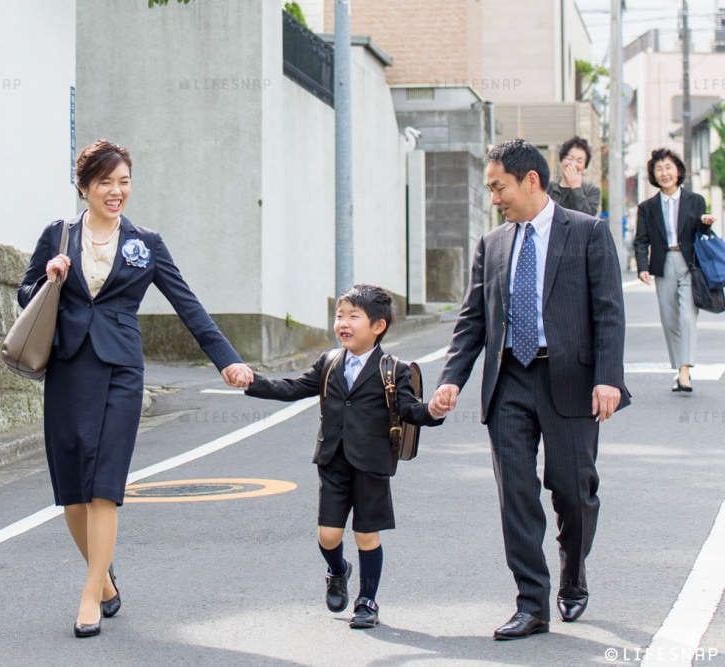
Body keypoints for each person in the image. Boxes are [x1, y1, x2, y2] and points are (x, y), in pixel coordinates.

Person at [17, 139, 254, 638]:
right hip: (68, 368)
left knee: (104, 483)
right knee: (72, 492)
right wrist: (49, 278)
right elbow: (24, 296)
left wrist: (227, 362)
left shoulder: (145, 242)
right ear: (84, 187)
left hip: (121, 370)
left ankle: (88, 592)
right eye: (106, 183)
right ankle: (104, 580)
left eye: (124, 182)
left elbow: (187, 303)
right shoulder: (58, 237)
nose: (116, 191)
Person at [430, 139, 630, 640]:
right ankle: (531, 602)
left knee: (572, 491)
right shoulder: (493, 244)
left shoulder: (587, 233)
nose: (494, 198)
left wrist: (608, 377)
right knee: (515, 495)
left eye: (499, 187)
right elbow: (472, 320)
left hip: (571, 383)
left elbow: (608, 310)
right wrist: (451, 380)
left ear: (531, 181)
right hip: (510, 382)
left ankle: (573, 575)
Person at [243, 284, 445, 630]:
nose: (343, 323)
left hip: (372, 464)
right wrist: (252, 382)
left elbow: (410, 410)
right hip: (332, 460)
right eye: (340, 316)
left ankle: (367, 601)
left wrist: (434, 410)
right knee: (328, 535)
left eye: (354, 316)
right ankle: (337, 570)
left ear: (378, 326)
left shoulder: (392, 370)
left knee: (366, 535)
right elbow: (293, 388)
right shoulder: (329, 362)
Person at [633, 148, 716, 392]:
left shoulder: (695, 200)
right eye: (659, 169)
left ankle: (685, 371)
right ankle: (679, 366)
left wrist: (705, 224)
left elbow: (701, 235)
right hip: (663, 264)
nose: (664, 173)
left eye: (669, 167)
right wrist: (642, 267)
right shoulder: (647, 207)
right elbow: (641, 240)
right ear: (654, 175)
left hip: (690, 265)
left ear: (678, 171)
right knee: (670, 320)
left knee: (688, 316)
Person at [545, 136, 601, 216]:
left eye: (579, 161)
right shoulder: (547, 188)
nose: (573, 164)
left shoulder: (592, 191)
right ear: (561, 160)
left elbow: (588, 219)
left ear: (585, 166)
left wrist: (576, 187)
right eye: (570, 158)